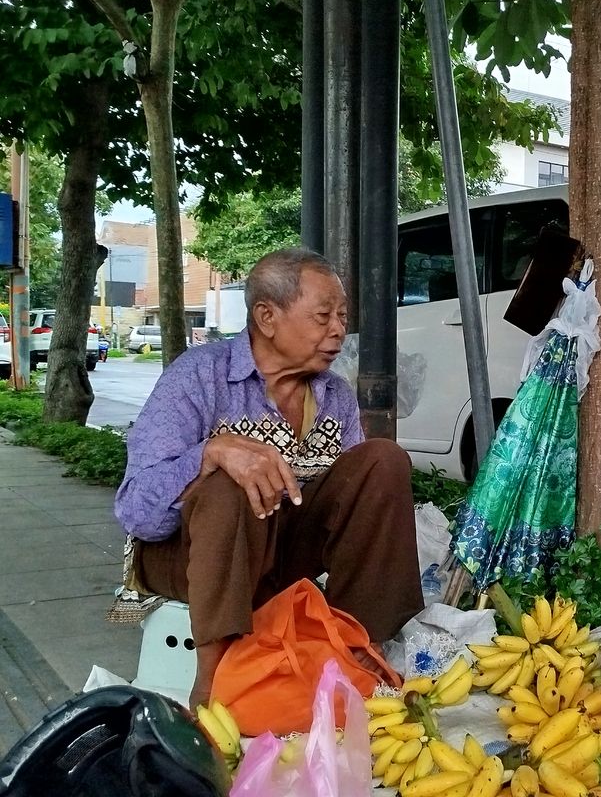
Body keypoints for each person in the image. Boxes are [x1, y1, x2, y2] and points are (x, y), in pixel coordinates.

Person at [115, 247, 423, 708]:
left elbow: (354, 506)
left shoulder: (332, 393)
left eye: (342, 315)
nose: (339, 329)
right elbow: (137, 512)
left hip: (276, 556)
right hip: (188, 557)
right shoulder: (198, 376)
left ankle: (357, 645)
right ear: (267, 317)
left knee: (382, 460)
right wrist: (212, 453)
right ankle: (215, 679)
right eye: (323, 316)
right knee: (230, 477)